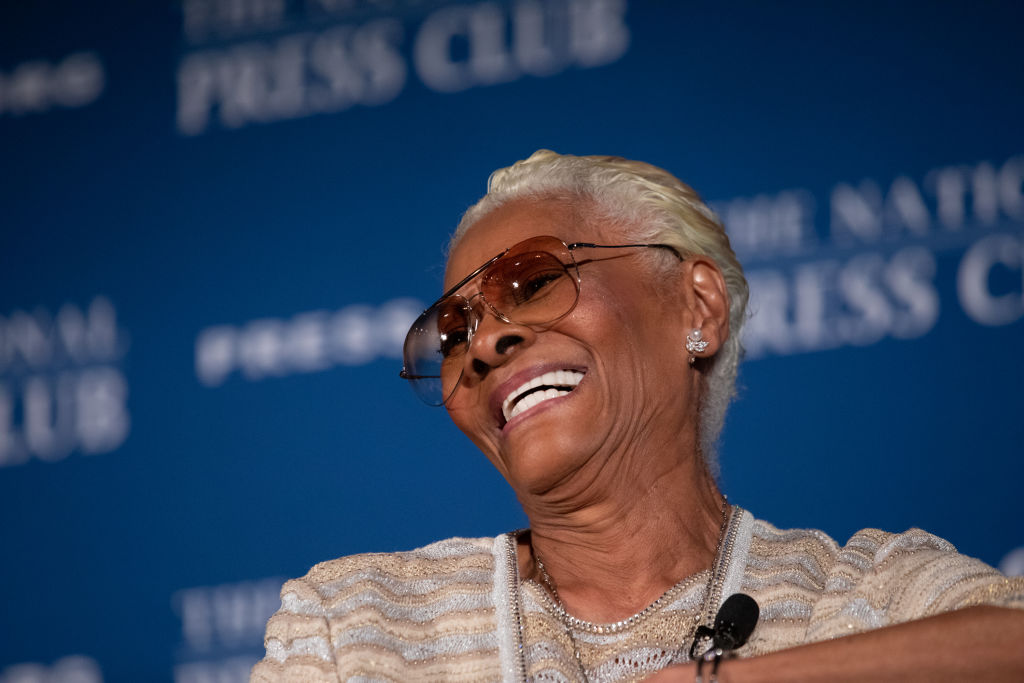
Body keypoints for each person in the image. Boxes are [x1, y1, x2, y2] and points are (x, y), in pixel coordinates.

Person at [251, 151, 1024, 682]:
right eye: (452, 334)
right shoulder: (360, 628)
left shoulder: (864, 598)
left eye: (535, 279)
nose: (484, 341)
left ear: (697, 307)